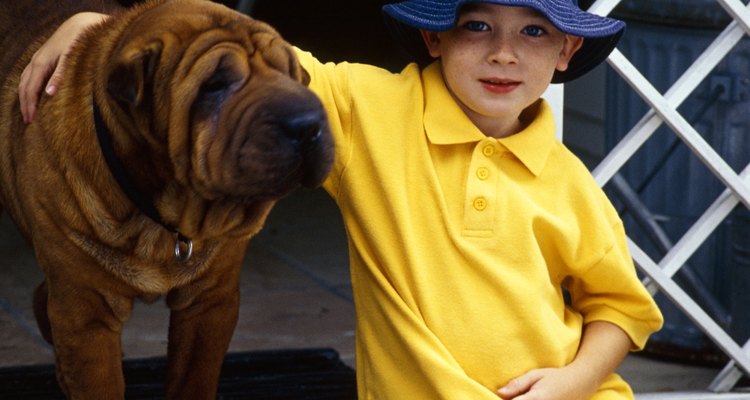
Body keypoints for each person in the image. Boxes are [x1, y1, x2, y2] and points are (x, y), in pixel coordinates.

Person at [19, 0, 664, 398]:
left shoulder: (574, 184)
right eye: (477, 23)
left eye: (533, 31)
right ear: (435, 37)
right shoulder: (372, 112)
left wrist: (574, 383)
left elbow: (621, 310)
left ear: (566, 50)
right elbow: (220, 50)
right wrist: (94, 27)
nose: (502, 51)